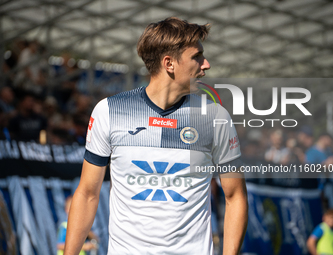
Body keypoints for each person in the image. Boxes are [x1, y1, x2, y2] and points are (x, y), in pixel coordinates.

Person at [64, 17, 248, 255]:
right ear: (169, 63)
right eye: (197, 56)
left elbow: (235, 196)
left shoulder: (215, 118)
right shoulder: (109, 111)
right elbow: (88, 193)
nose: (206, 64)